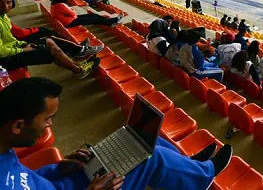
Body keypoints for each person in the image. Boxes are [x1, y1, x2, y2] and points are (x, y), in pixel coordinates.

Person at [0, 77, 233, 190]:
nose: (49, 126)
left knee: (145, 139)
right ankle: (205, 175)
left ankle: (188, 167)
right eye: (47, 119)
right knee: (151, 157)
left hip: (69, 182)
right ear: (18, 126)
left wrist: (58, 168)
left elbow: (28, 180)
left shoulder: (5, 151)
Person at [0, 0, 99, 78]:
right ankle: (79, 70)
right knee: (54, 51)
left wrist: (21, 44)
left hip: (13, 48)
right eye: (0, 3)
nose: (5, 6)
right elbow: (1, 51)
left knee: (49, 41)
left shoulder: (3, 16)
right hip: (5, 59)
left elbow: (10, 39)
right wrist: (22, 49)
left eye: (8, 2)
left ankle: (76, 64)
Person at [51, 0, 123, 28]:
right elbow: (73, 13)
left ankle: (109, 22)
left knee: (92, 15)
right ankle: (115, 20)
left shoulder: (54, 4)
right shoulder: (61, 5)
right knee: (95, 19)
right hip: (71, 22)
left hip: (69, 20)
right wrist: (71, 9)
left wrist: (70, 9)